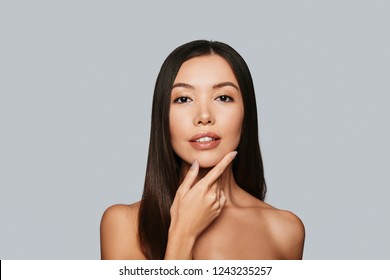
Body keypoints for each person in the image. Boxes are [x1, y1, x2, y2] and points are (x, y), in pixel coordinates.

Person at [100, 40, 305, 260]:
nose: (204, 116)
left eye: (223, 97)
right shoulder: (124, 224)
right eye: (183, 99)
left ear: (246, 114)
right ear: (163, 118)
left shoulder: (285, 230)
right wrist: (183, 234)